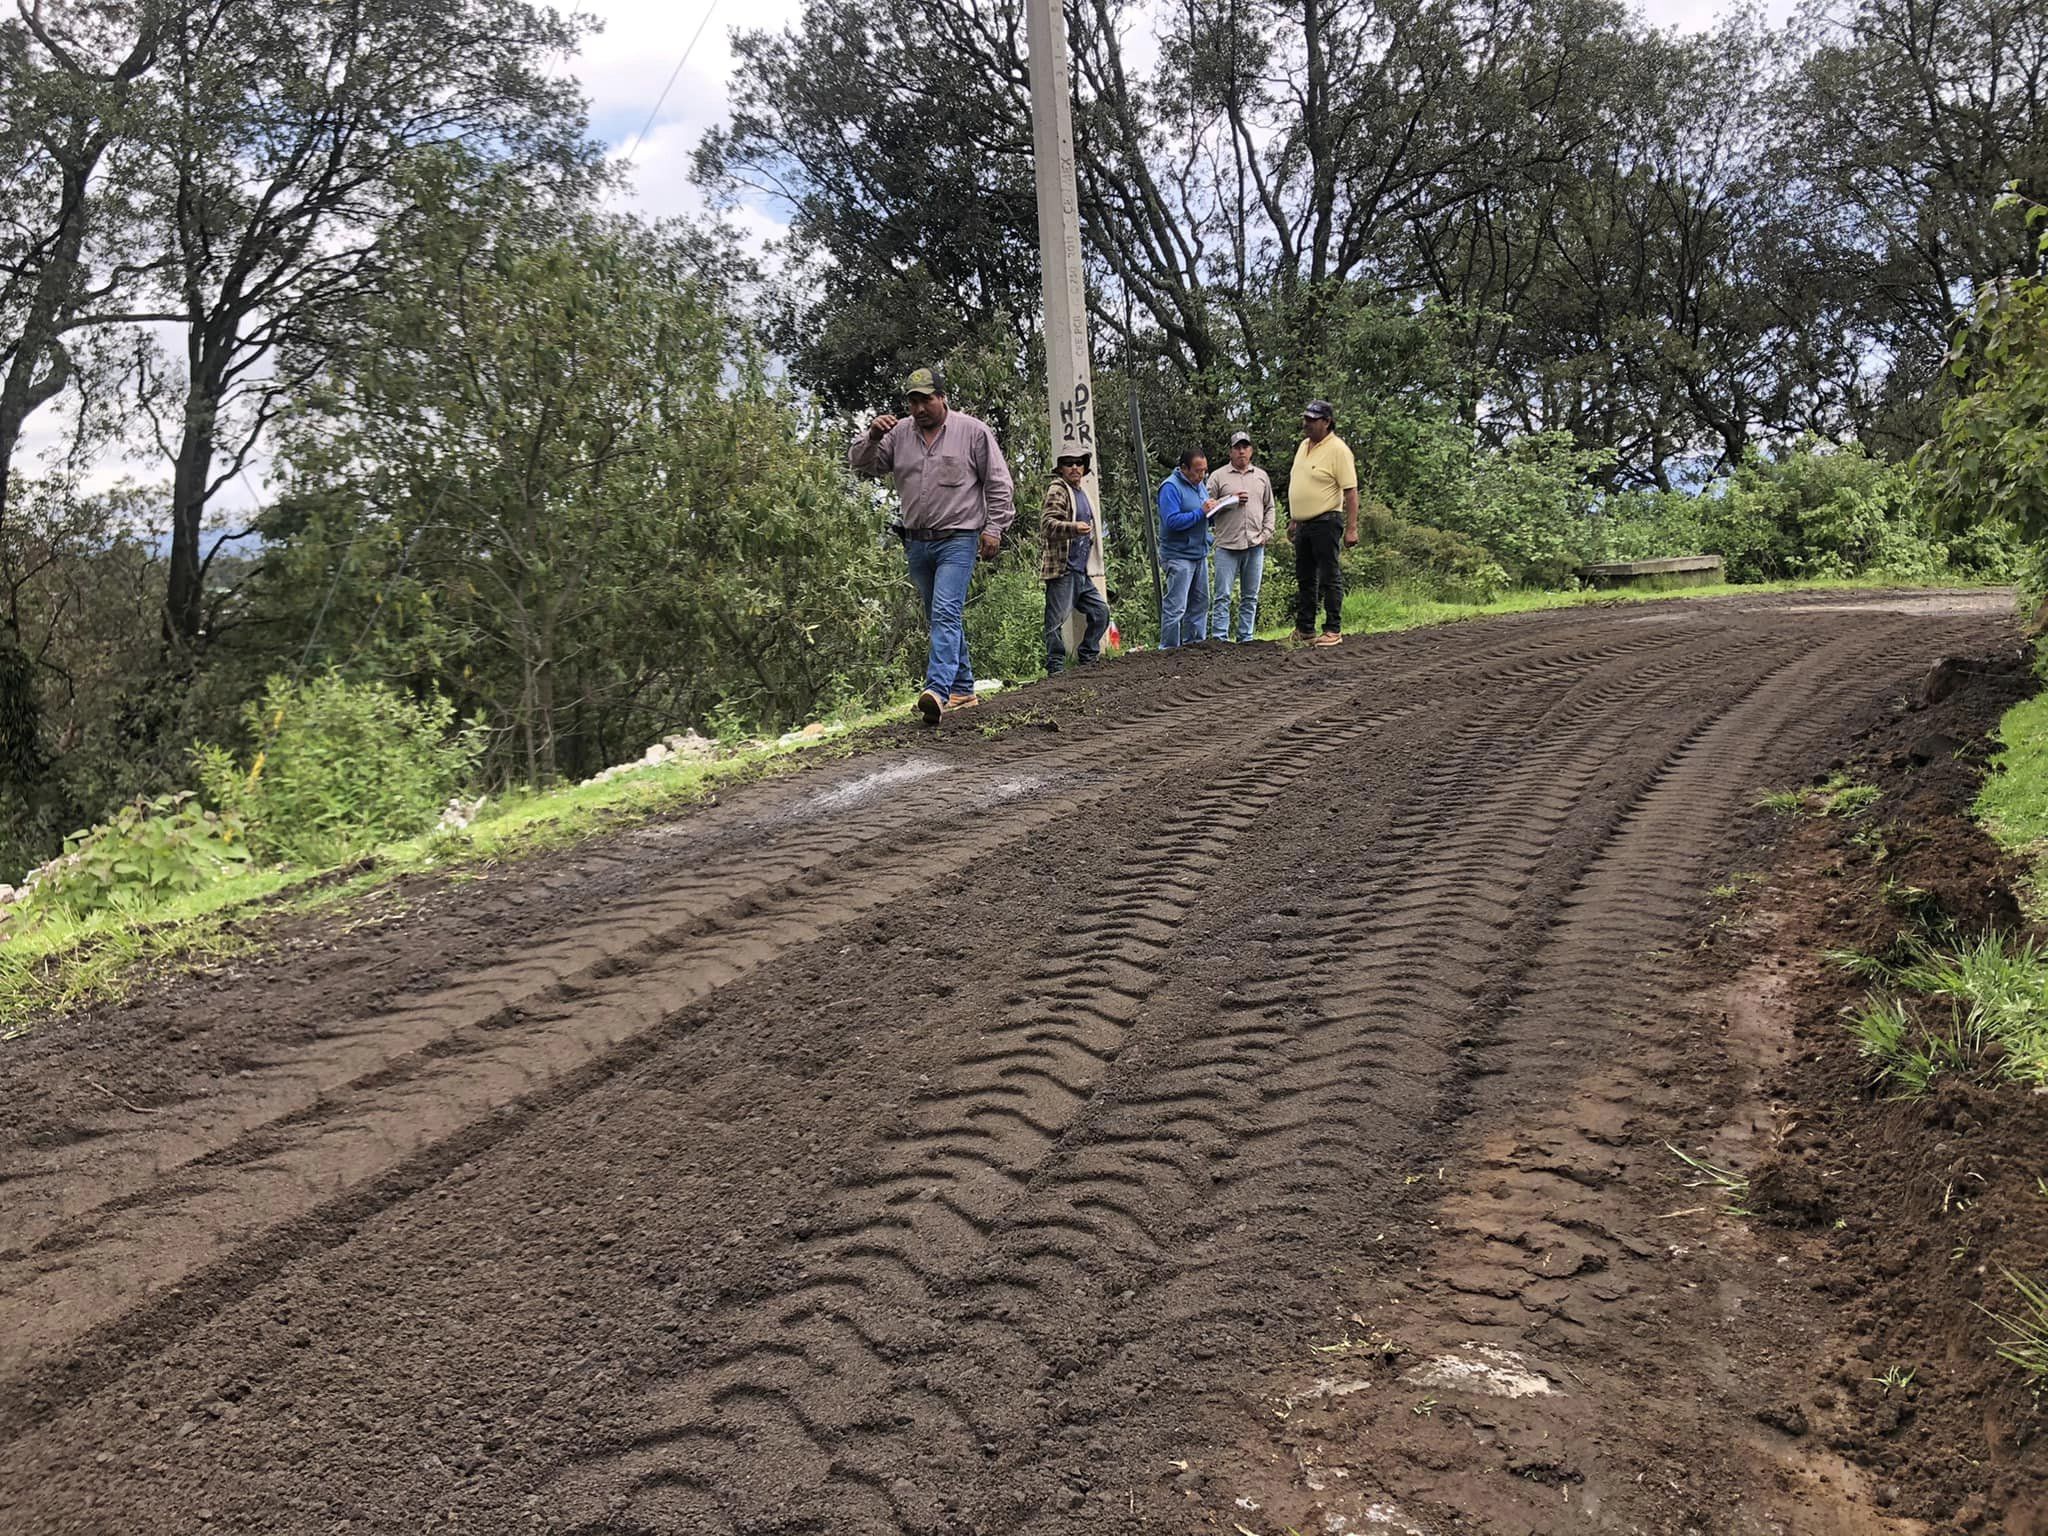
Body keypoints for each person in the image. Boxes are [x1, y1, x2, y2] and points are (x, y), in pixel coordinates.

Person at [849, 365, 1015, 723]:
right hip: (917, 542)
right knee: (940, 615)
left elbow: (999, 483)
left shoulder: (972, 432)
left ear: (942, 398)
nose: (919, 409)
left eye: (926, 400)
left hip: (959, 537)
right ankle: (963, 688)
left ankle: (936, 692)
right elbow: (862, 465)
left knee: (944, 612)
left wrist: (994, 528)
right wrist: (872, 437)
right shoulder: (897, 436)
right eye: (913, 402)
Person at [1286, 399, 1358, 647]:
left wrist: (1351, 528)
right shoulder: (1303, 446)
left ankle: (1333, 629)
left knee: (1329, 575)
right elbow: (1301, 483)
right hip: (1304, 523)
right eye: (1306, 418)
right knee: (1305, 577)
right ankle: (1305, 628)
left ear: (1326, 422)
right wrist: (1295, 520)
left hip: (1327, 521)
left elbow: (1350, 491)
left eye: (1312, 420)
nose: (1306, 423)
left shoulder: (1338, 450)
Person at [1040, 450, 1111, 674]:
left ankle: (1087, 657)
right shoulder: (1058, 490)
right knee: (1055, 623)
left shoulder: (1082, 493)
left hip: (1081, 570)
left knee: (1101, 613)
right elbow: (1047, 524)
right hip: (1063, 569)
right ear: (1060, 469)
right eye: (1068, 464)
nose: (1074, 467)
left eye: (1078, 463)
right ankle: (1056, 669)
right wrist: (1073, 528)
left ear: (1084, 468)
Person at [1206, 430, 1278, 642]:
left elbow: (1270, 507)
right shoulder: (1218, 477)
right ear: (1231, 451)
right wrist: (1229, 499)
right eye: (1237, 447)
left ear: (1251, 450)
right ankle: (1219, 638)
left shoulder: (1261, 476)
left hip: (1255, 544)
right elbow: (1207, 508)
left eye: (1245, 447)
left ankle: (1246, 637)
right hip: (1227, 545)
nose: (1241, 451)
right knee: (1223, 596)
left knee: (1250, 596)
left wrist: (1267, 532)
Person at [1156, 445, 1224, 648]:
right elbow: (1172, 521)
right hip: (1178, 556)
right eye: (1198, 471)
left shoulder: (1199, 485)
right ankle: (1168, 648)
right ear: (1184, 468)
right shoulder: (1170, 487)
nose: (1202, 475)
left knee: (1200, 603)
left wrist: (1215, 510)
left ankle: (1195, 646)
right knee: (1176, 606)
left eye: (1205, 471)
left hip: (1199, 553)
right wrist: (1201, 513)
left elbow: (1203, 514)